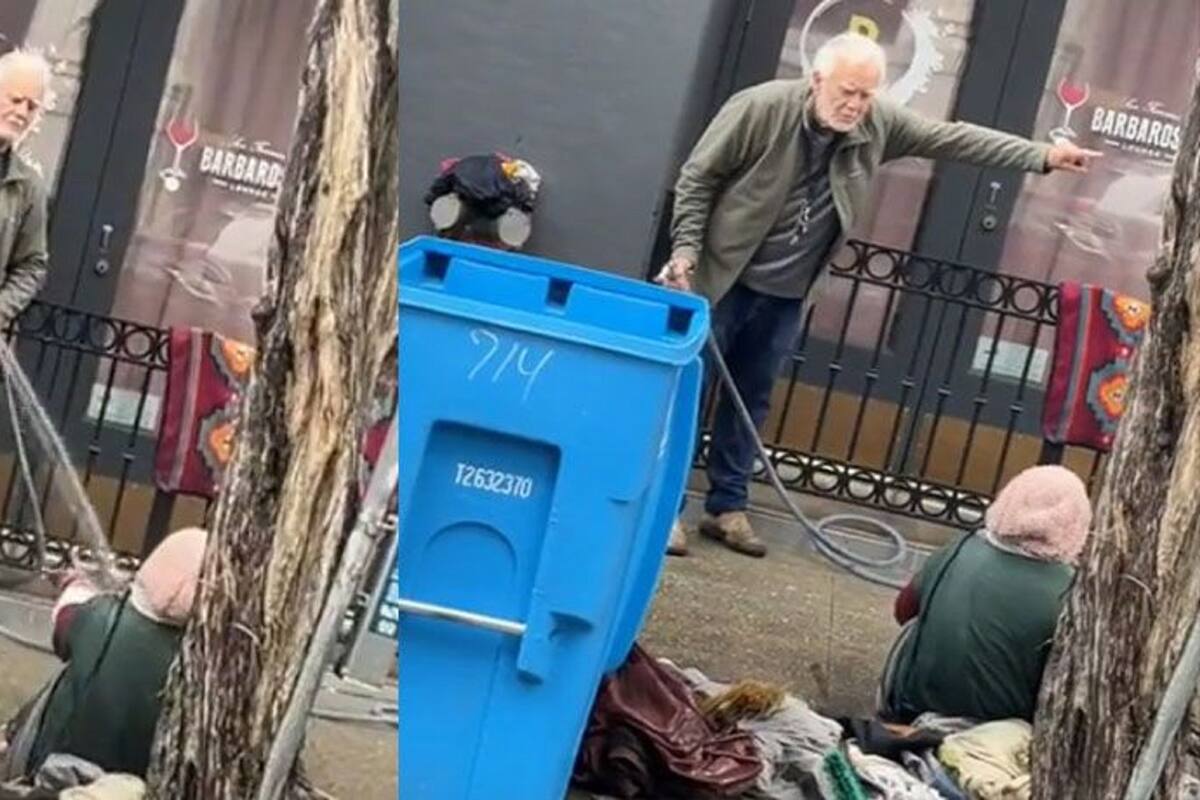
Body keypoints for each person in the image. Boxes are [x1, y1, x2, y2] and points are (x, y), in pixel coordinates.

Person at [656, 33, 1100, 558]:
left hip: (786, 294)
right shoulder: (759, 109)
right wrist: (685, 251)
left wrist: (1043, 155)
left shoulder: (875, 125)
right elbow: (697, 179)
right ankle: (665, 513)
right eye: (847, 92)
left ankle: (726, 507)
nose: (856, 105)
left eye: (867, 95)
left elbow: (952, 138)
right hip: (720, 282)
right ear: (816, 80)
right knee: (686, 396)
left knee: (749, 401)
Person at [878, 466, 1092, 723]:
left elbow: (903, 612)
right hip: (998, 731)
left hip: (911, 707)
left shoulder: (960, 548)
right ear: (1076, 523)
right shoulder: (1072, 593)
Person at [2, 527, 207, 780]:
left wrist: (73, 583)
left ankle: (8, 743)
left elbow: (66, 619)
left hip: (48, 768)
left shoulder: (103, 617)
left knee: (60, 680)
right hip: (128, 785)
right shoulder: (198, 663)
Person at [0, 49, 50, 331]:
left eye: (32, 106)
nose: (21, 112)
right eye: (16, 100)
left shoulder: (27, 184)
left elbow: (31, 265)